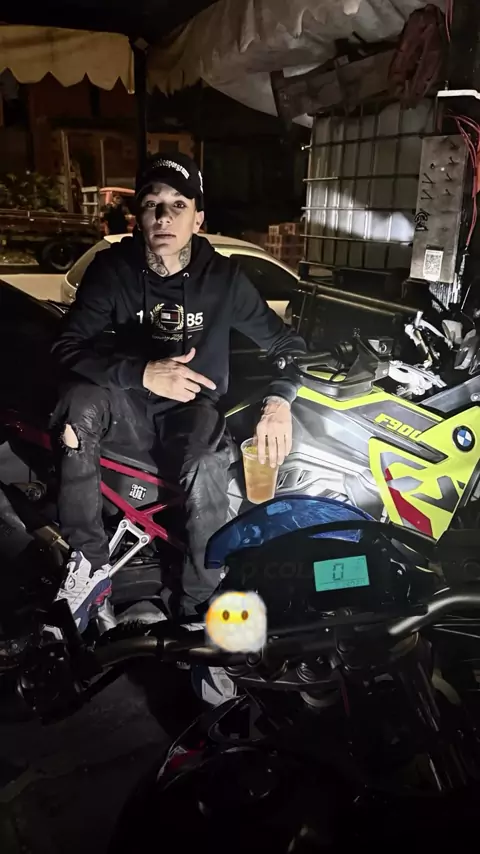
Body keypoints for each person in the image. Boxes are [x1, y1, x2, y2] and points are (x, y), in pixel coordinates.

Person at [50, 152, 307, 632]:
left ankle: (199, 602)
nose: (164, 217)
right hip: (123, 401)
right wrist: (142, 372)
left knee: (207, 465)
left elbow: (287, 345)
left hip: (190, 409)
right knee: (77, 406)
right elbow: (67, 347)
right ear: (138, 215)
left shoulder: (223, 279)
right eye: (152, 204)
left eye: (178, 204)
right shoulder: (113, 269)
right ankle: (89, 565)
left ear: (198, 218)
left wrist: (279, 401)